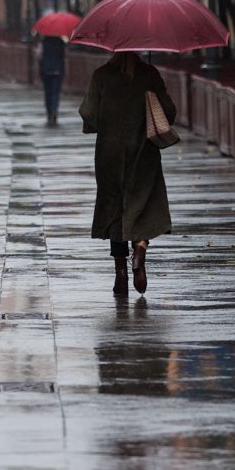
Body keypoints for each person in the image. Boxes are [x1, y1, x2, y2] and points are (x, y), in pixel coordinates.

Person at [78, 51, 176, 296]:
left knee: (115, 211)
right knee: (142, 204)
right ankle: (140, 251)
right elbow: (169, 113)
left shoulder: (101, 76)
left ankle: (120, 273)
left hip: (109, 156)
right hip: (143, 153)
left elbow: (89, 114)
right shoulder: (149, 74)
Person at [37, 34, 67, 127]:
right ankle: (54, 110)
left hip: (46, 71)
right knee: (55, 93)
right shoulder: (61, 42)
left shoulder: (43, 42)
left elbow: (38, 56)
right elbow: (64, 57)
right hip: (58, 70)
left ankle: (49, 113)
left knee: (48, 93)